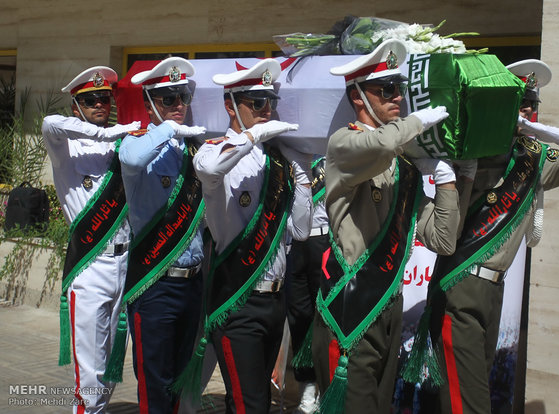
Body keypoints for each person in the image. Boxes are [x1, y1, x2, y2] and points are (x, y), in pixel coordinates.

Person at [417, 59, 559, 414]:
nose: (525, 112)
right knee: (468, 404)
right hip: (460, 286)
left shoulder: (535, 159)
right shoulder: (473, 149)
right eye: (519, 102)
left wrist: (558, 135)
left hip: (494, 292)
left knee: (473, 392)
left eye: (532, 105)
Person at [311, 39, 462, 414]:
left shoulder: (406, 167)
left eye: (401, 89)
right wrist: (419, 121)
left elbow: (442, 239)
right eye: (387, 90)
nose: (398, 97)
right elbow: (382, 144)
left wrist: (448, 180)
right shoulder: (344, 144)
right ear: (358, 96)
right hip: (351, 310)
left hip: (386, 309)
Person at [191, 58, 313, 413]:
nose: (266, 110)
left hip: (275, 303)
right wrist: (252, 135)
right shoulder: (214, 151)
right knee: (251, 405)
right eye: (256, 103)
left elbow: (300, 232)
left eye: (270, 102)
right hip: (237, 302)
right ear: (230, 105)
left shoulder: (276, 161)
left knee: (250, 401)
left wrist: (302, 174)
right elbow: (210, 167)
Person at [42, 66, 140, 413]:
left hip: (125, 265)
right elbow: (48, 123)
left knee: (112, 368)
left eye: (104, 98)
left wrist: (119, 133)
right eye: (90, 99)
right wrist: (109, 134)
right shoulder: (65, 145)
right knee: (90, 374)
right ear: (76, 106)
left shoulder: (122, 144)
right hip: (90, 267)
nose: (100, 104)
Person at [114, 57, 208, 413]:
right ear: (151, 103)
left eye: (183, 96)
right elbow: (135, 160)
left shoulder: (193, 149)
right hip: (156, 284)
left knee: (180, 383)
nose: (179, 106)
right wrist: (168, 128)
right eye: (169, 99)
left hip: (191, 283)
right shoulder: (137, 143)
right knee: (155, 386)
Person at [284, 155, 329, 414]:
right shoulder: (290, 156)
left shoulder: (329, 154)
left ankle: (326, 384)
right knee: (299, 316)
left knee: (324, 318)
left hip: (324, 242)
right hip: (294, 245)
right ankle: (307, 389)